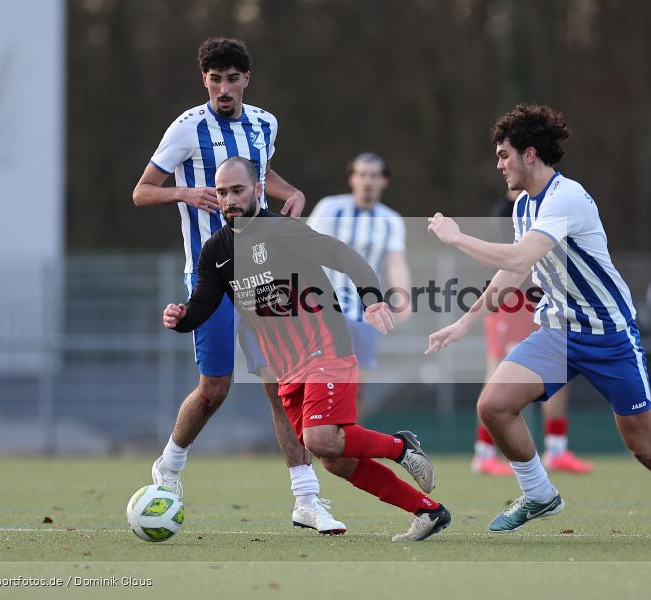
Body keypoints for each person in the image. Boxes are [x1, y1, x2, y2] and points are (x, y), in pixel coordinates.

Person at [426, 104, 651, 543]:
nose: (499, 164)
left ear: (530, 154)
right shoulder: (524, 204)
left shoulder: (566, 197)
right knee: (493, 406)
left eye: (504, 154)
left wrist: (457, 237)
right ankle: (539, 494)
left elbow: (519, 257)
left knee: (645, 447)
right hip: (558, 333)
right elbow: (516, 273)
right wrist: (465, 322)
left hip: (610, 337)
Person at [163, 157, 451, 542]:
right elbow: (202, 306)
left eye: (238, 190)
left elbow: (343, 255)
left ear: (258, 190)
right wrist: (180, 318)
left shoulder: (281, 230)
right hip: (287, 369)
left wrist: (372, 298)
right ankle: (428, 511)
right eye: (222, 192)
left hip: (325, 347)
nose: (229, 199)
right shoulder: (216, 250)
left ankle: (401, 447)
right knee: (337, 459)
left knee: (318, 440)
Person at [131, 37, 343, 534]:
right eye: (214, 79)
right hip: (210, 274)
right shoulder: (187, 129)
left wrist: (292, 193)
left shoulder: (265, 123)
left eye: (231, 79)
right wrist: (185, 192)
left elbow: (260, 176)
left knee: (280, 384)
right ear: (203, 80)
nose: (223, 88)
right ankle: (169, 468)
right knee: (215, 388)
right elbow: (141, 192)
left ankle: (306, 498)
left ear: (246, 79)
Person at [473, 192, 592, 476]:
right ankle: (484, 453)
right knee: (499, 371)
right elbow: (512, 259)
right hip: (512, 300)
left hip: (545, 299)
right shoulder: (506, 210)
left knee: (559, 368)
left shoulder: (553, 204)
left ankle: (556, 449)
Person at [306, 153, 411, 420]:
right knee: (318, 384)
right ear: (352, 178)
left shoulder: (391, 221)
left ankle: (348, 447)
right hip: (323, 308)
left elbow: (396, 262)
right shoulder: (330, 209)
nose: (368, 181)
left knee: (355, 388)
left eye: (374, 175)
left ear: (383, 181)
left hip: (363, 313)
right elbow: (304, 251)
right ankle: (310, 446)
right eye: (362, 174)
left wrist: (403, 300)